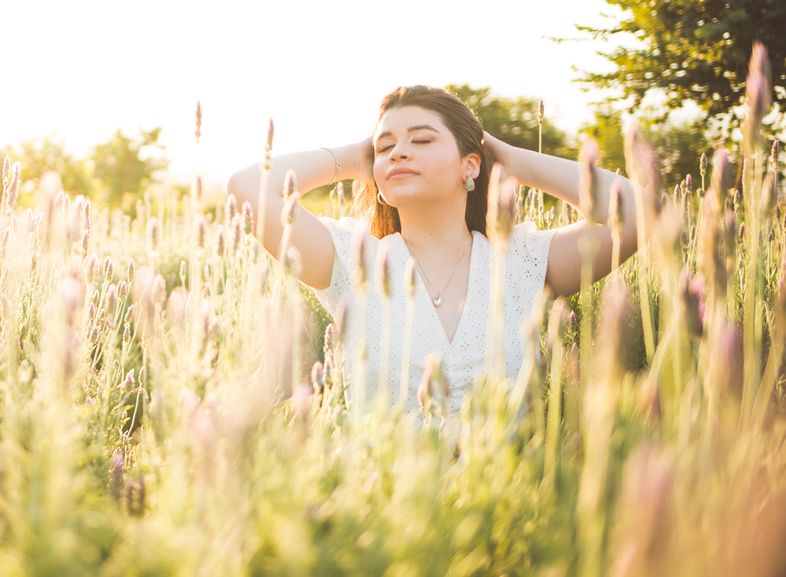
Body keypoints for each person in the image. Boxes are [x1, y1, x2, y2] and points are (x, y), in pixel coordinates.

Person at [225, 85, 639, 415]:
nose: (399, 152)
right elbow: (247, 188)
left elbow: (640, 213)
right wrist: (354, 159)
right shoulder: (352, 261)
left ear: (470, 165)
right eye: (385, 148)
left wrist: (514, 164)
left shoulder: (522, 261)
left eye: (421, 140)